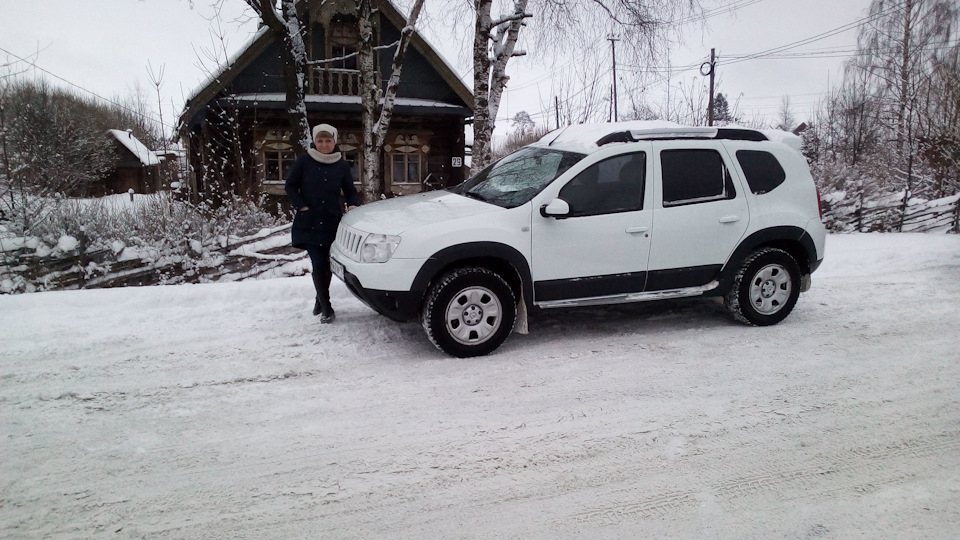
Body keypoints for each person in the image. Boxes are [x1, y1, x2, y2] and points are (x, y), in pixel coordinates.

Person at [285, 123, 360, 323]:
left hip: (331, 222)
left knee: (328, 264)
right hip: (309, 221)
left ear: (334, 141)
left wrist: (353, 205)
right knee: (318, 263)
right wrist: (301, 206)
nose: (324, 144)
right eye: (320, 140)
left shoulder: (341, 165)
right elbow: (290, 185)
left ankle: (320, 298)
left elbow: (350, 190)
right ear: (314, 141)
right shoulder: (304, 161)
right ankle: (327, 308)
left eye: (328, 140)